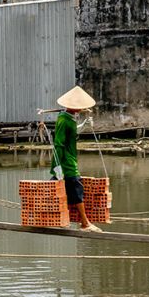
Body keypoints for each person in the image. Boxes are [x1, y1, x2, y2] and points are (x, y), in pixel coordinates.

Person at [51, 86, 102, 232]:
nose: (80, 109)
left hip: (70, 159)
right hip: (65, 162)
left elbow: (72, 133)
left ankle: (64, 219)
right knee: (76, 188)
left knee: (62, 189)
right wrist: (57, 165)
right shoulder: (63, 119)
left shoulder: (70, 119)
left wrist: (84, 125)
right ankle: (85, 223)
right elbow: (58, 143)